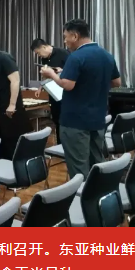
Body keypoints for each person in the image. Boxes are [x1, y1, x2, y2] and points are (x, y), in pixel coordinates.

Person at [41, 19, 122, 179]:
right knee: (96, 164)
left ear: (75, 36)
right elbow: (116, 82)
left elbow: (67, 85)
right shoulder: (106, 55)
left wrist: (51, 75)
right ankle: (98, 193)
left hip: (75, 121)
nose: (65, 41)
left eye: (65, 37)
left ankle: (82, 194)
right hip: (98, 119)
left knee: (79, 169)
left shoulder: (76, 57)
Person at [31, 38, 69, 144]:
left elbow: (73, 70)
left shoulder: (63, 53)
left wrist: (62, 71)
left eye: (38, 53)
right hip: (53, 93)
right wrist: (40, 87)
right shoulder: (44, 59)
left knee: (65, 120)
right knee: (56, 120)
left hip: (65, 93)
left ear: (44, 47)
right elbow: (45, 77)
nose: (39, 56)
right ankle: (59, 144)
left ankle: (66, 144)